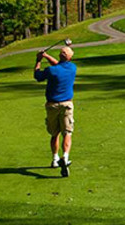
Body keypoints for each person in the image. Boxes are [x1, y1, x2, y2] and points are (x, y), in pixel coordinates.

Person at [34, 46, 77, 177]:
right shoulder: (72, 68)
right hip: (67, 105)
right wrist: (46, 56)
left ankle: (55, 159)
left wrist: (39, 60)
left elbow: (37, 75)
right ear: (70, 58)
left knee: (55, 134)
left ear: (60, 56)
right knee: (67, 132)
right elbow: (60, 65)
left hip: (52, 105)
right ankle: (65, 156)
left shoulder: (51, 71)